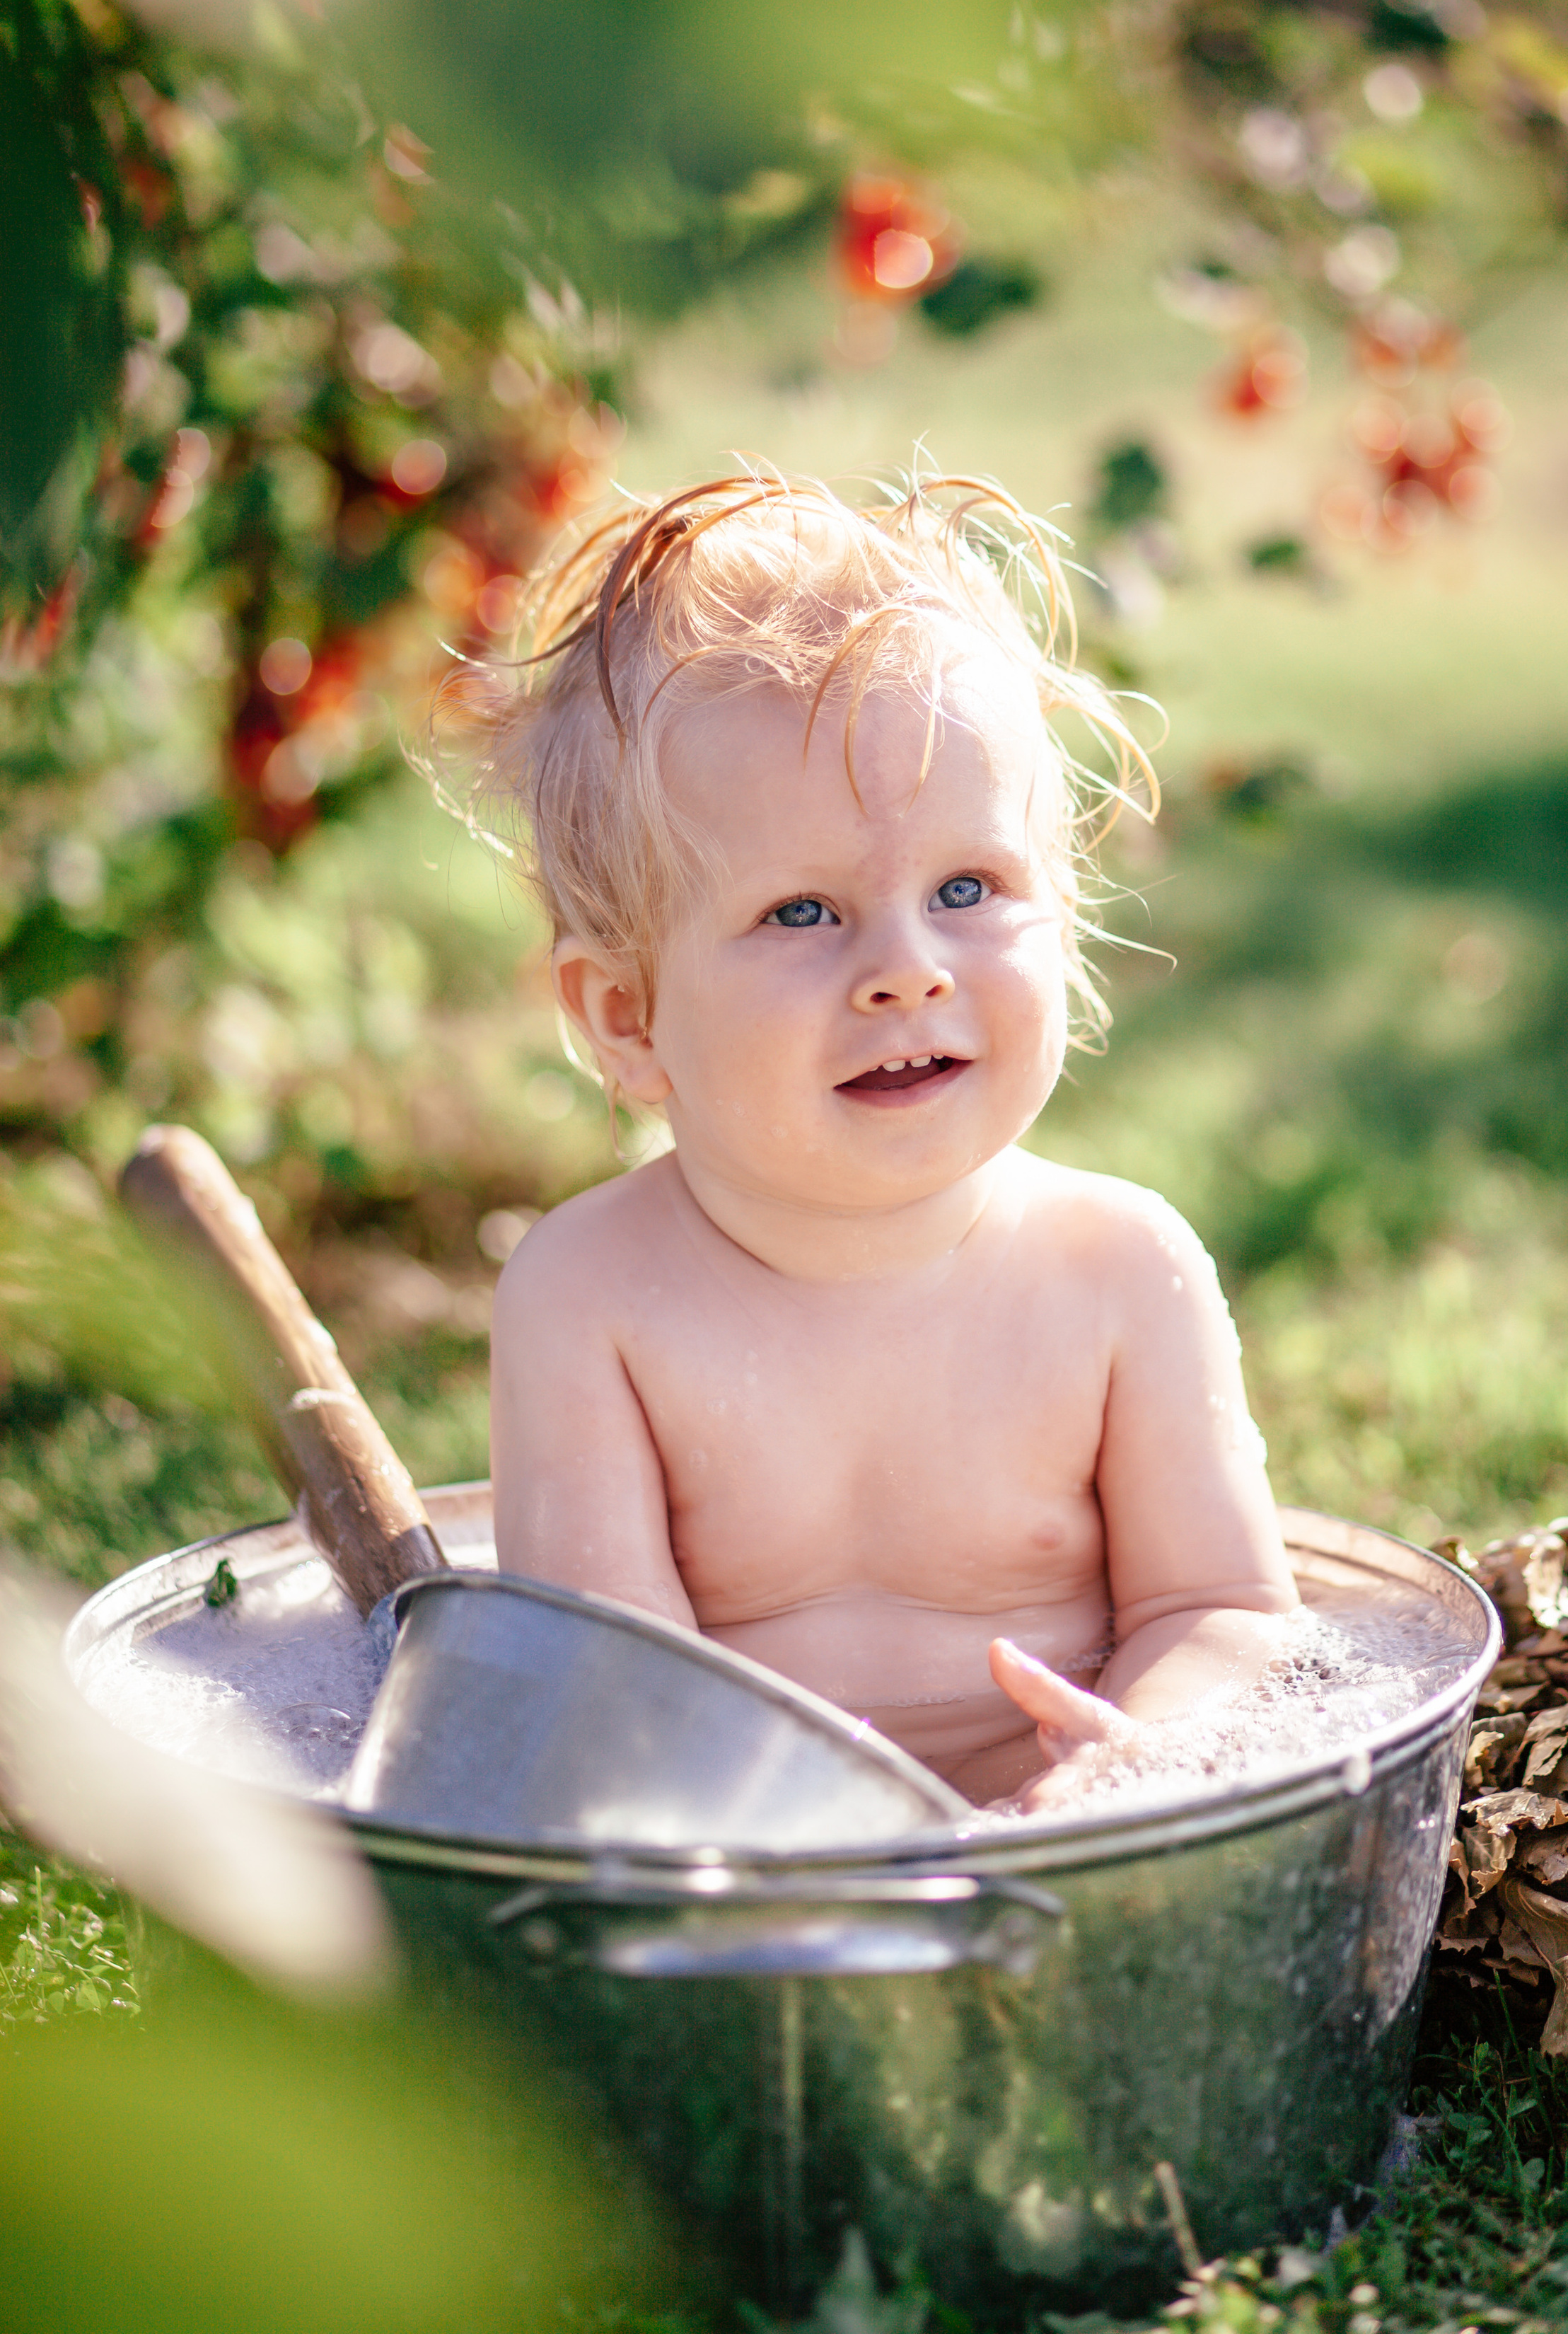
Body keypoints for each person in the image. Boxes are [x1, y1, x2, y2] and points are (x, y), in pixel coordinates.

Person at [475, 470, 1297, 1811]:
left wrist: (1142, 1761)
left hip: (1063, 1857)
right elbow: (604, 1702)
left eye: (968, 888)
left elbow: (1228, 1614)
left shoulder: (1117, 1270)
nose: (907, 970)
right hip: (747, 1867)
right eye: (803, 913)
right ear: (628, 1016)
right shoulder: (591, 1297)